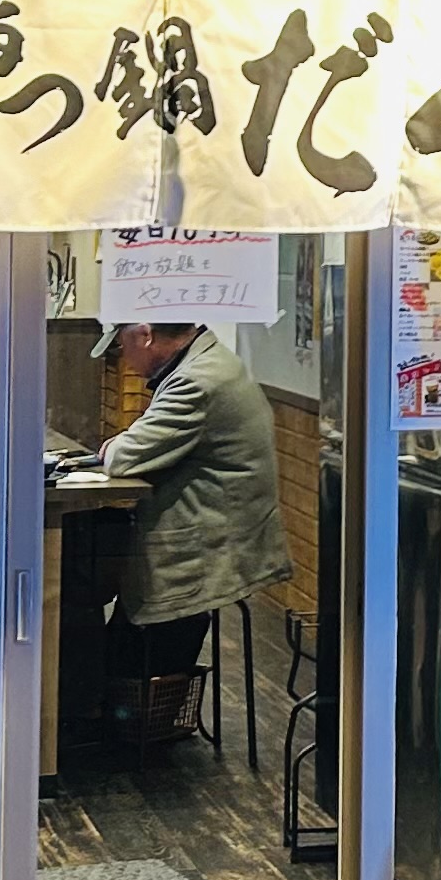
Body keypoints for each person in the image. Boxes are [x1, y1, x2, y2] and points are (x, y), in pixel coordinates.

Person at [67, 319, 284, 745]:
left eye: (123, 347)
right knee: (85, 564)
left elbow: (123, 457)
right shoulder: (208, 361)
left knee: (79, 573)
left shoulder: (196, 381)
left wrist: (112, 446)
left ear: (144, 335)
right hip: (219, 530)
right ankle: (90, 706)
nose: (124, 361)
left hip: (210, 543)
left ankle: (98, 716)